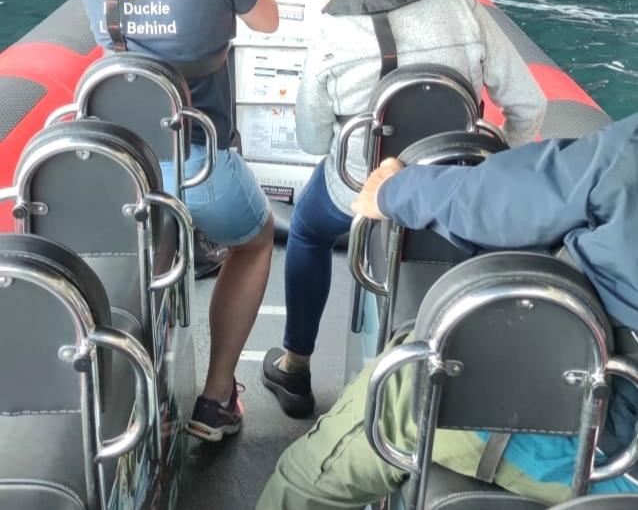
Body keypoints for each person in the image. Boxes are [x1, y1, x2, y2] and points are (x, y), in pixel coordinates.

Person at [262, 0, 546, 417]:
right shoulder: (464, 9)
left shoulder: (328, 33)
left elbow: (310, 139)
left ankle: (296, 365)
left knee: (305, 227)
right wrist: (495, 163)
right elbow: (528, 105)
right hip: (455, 189)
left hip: (361, 190)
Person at [257, 112, 638, 509]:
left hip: (588, 441)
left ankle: (294, 361)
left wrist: (394, 191)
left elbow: (507, 202)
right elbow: (524, 113)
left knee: (309, 473)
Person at [78, 0, 278, 442]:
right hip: (199, 164)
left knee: (156, 240)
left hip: (126, 169)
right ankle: (217, 398)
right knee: (257, 238)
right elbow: (267, 20)